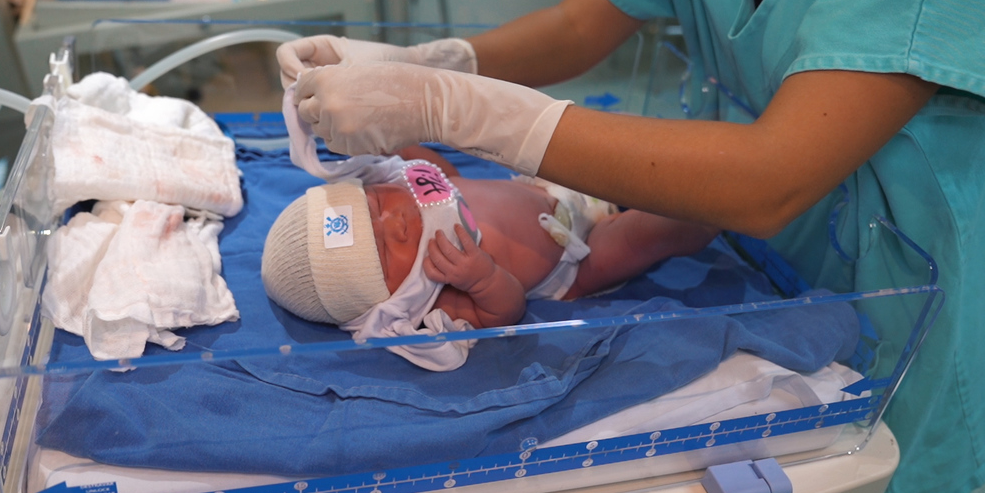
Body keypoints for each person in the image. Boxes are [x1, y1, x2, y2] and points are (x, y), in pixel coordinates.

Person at [275, 0, 985, 493]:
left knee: (866, 469)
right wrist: (417, 65)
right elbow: (578, 26)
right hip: (727, 234)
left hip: (896, 307)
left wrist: (450, 107)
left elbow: (773, 177)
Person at [261, 145, 717, 340]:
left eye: (376, 202)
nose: (394, 221)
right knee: (644, 235)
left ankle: (682, 167)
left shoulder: (414, 192)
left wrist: (405, 143)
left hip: (547, 188)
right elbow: (505, 311)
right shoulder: (438, 292)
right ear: (388, 297)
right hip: (575, 257)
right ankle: (705, 213)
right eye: (384, 248)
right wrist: (482, 279)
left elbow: (450, 178)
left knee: (617, 154)